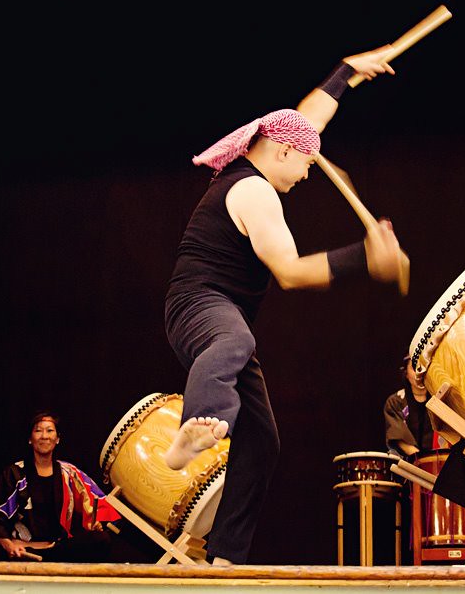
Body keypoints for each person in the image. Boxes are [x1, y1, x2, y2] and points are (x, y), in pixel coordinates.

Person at [161, 46, 405, 565]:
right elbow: (291, 273)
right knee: (236, 339)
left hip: (221, 317)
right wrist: (364, 258)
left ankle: (225, 554)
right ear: (281, 152)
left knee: (262, 440)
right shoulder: (254, 193)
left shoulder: (270, 151)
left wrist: (346, 73)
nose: (309, 172)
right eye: (305, 162)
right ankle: (195, 427)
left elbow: (302, 121)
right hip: (199, 306)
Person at [0, 412, 119, 562]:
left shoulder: (69, 472)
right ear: (30, 439)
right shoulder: (15, 473)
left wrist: (96, 523)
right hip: (25, 550)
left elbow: (95, 501)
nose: (44, 436)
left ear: (57, 439)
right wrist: (9, 545)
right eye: (38, 430)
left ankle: (49, 554)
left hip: (58, 547)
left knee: (101, 539)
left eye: (49, 430)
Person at [384, 355, 437, 458]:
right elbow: (399, 439)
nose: (419, 373)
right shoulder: (396, 401)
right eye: (414, 368)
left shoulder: (440, 401)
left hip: (438, 462)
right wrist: (422, 461)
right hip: (407, 464)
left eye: (423, 368)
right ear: (406, 374)